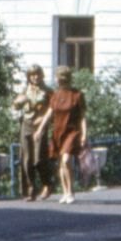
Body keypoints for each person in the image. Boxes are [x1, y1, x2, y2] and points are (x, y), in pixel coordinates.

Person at [36, 65, 88, 204]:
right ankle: (65, 192)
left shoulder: (77, 95)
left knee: (66, 160)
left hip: (72, 131)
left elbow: (82, 116)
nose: (60, 81)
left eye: (62, 79)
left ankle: (71, 192)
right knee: (61, 163)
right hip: (58, 131)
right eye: (59, 79)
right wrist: (40, 129)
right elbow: (49, 114)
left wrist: (84, 134)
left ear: (67, 79)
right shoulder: (55, 95)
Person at [11, 64, 54, 201]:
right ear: (28, 77)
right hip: (26, 124)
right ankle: (30, 188)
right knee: (27, 158)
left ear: (42, 75)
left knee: (39, 158)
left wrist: (44, 118)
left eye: (37, 74)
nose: (35, 77)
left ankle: (47, 184)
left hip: (40, 125)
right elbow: (14, 106)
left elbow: (53, 109)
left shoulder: (48, 91)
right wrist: (17, 103)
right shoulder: (25, 90)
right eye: (32, 75)